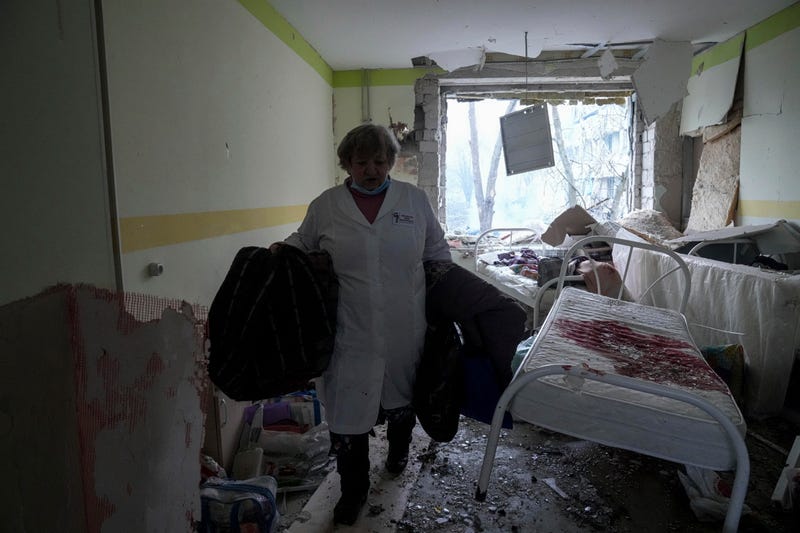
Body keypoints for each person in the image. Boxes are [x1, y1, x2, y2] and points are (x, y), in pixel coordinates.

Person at [271, 123, 452, 525]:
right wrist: (281, 250)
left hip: (407, 325)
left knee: (403, 400)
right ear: (346, 164)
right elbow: (303, 242)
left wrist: (443, 309)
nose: (371, 169)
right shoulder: (327, 205)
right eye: (361, 162)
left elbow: (438, 252)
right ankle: (352, 491)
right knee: (348, 415)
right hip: (348, 330)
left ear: (391, 161)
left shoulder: (414, 200)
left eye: (380, 161)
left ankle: (398, 452)